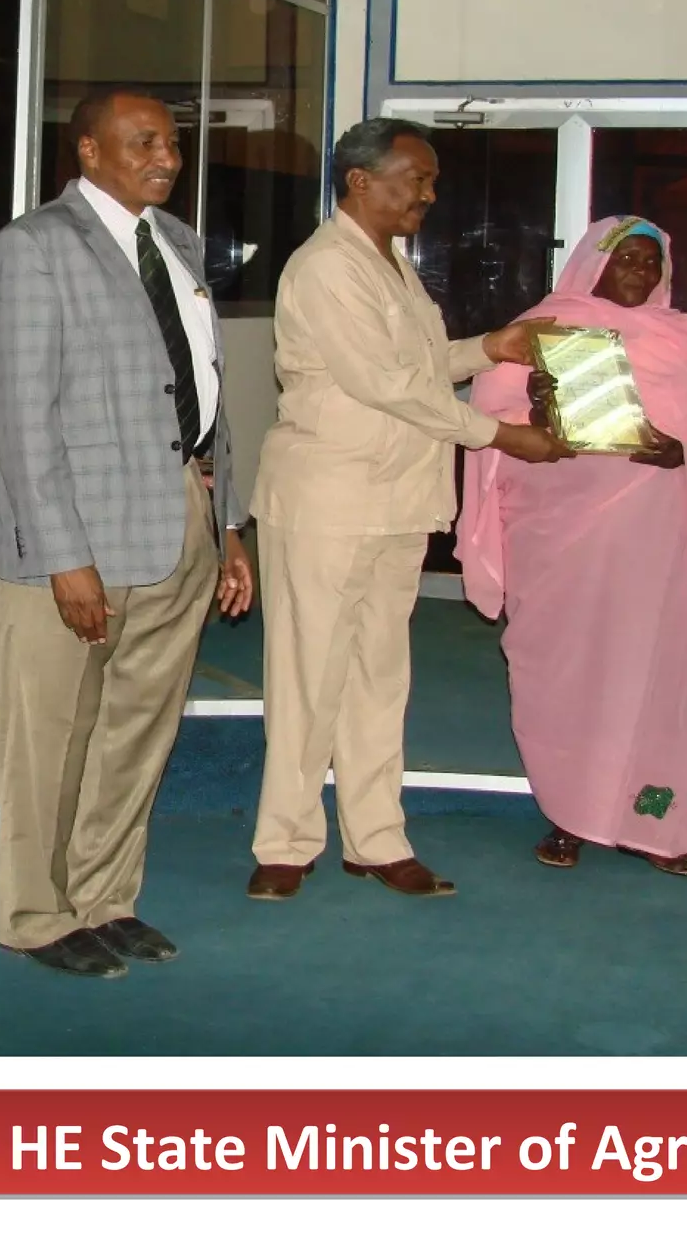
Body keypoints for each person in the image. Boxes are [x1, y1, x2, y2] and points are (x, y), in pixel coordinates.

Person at [246, 118, 572, 903]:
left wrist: (490, 347)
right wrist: (502, 436)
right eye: (415, 179)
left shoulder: (391, 267)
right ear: (360, 182)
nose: (428, 194)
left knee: (378, 676)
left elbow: (418, 370)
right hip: (328, 498)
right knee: (308, 675)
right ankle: (285, 842)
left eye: (429, 182)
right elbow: (383, 387)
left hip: (395, 499)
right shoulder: (325, 268)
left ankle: (376, 839)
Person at [0, 88, 256, 978]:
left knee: (138, 731)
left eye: (172, 144)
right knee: (50, 737)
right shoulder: (30, 250)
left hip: (182, 520)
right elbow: (23, 421)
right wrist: (65, 559)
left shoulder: (177, 245)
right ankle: (35, 914)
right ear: (88, 151)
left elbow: (207, 393)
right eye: (143, 143)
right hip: (78, 537)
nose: (166, 158)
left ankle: (105, 898)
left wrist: (230, 525)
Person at [455, 216, 687, 878]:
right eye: (629, 260)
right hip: (562, 541)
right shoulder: (549, 327)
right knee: (567, 674)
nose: (642, 273)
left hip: (655, 540)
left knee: (654, 677)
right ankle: (569, 815)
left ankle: (653, 821)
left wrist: (680, 447)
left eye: (653, 262)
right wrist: (539, 407)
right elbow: (490, 415)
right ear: (595, 265)